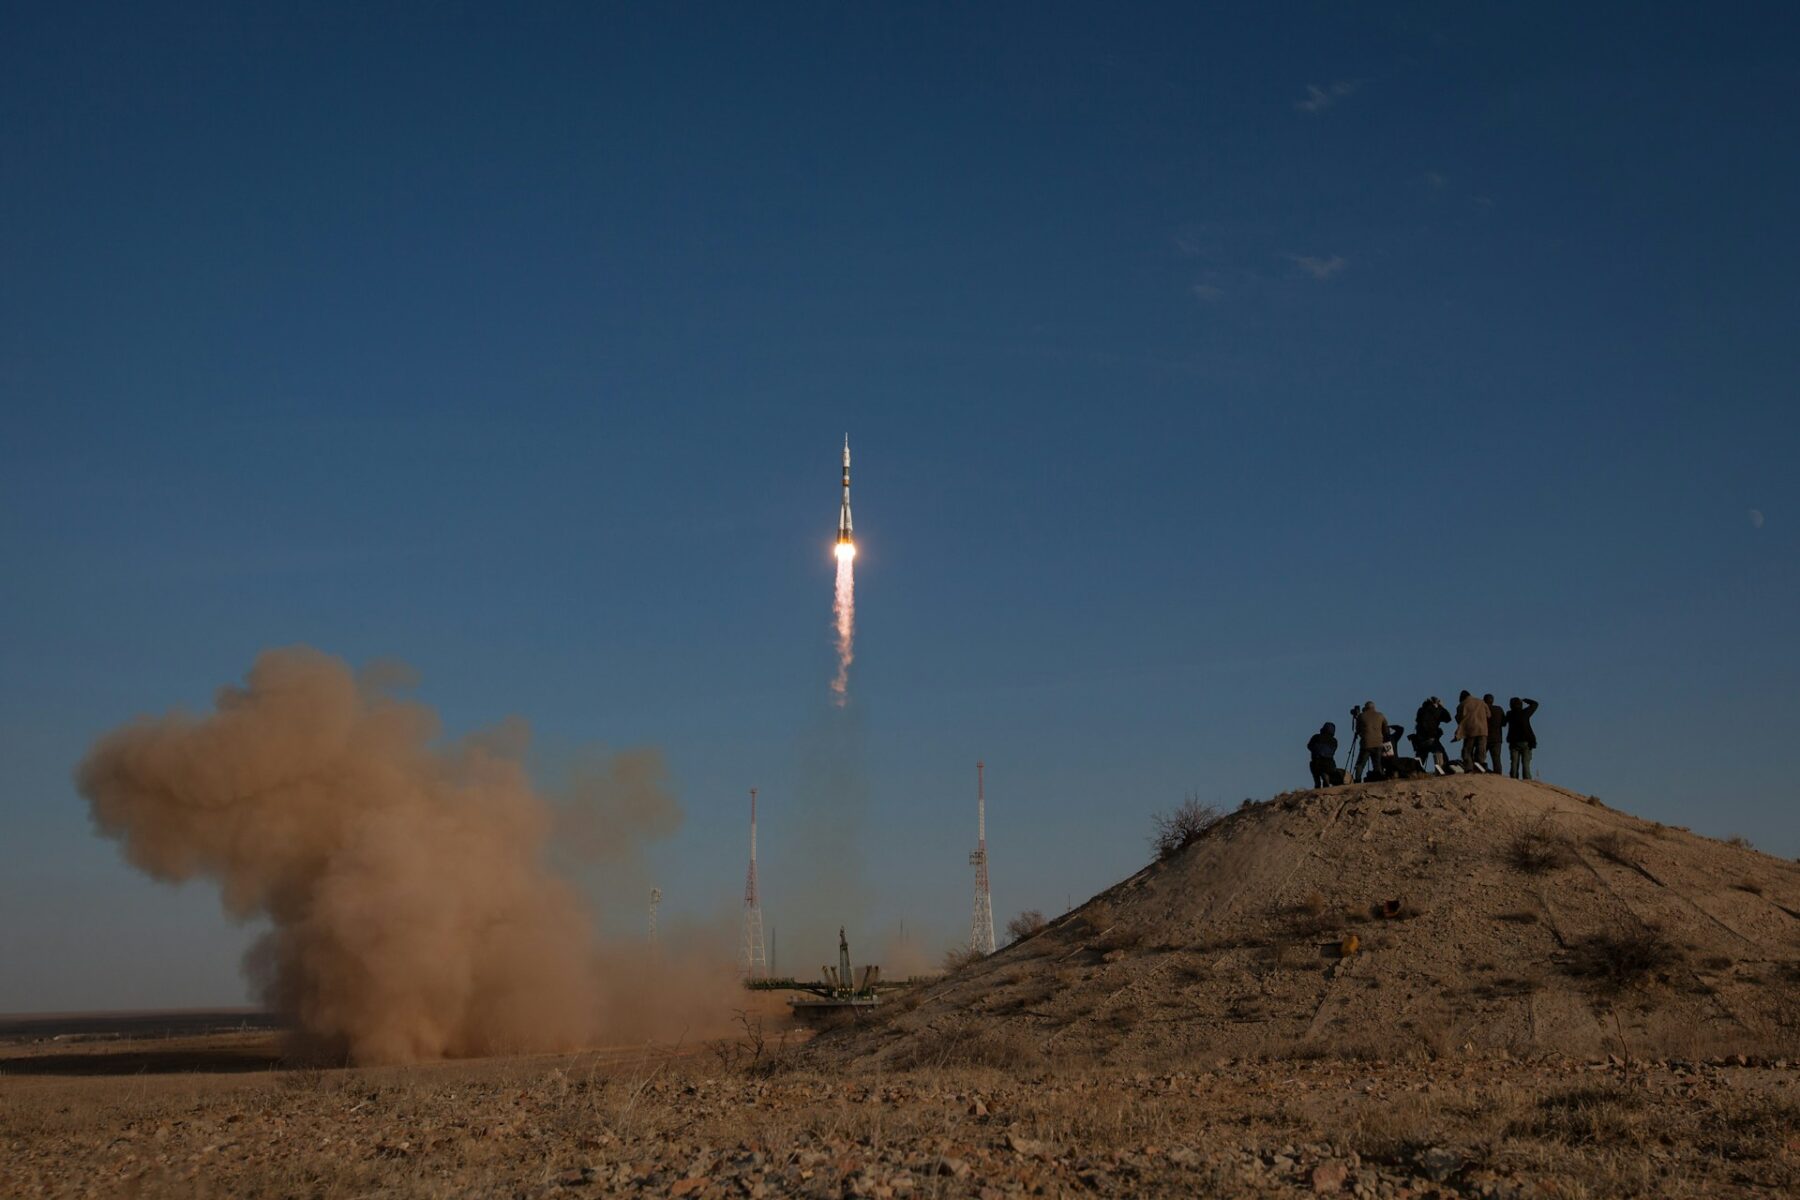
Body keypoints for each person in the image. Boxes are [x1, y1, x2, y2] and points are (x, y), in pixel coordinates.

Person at [1412, 696, 1451, 774]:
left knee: (1419, 758)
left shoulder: (1421, 710)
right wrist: (1441, 707)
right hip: (1430, 738)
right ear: (1435, 703)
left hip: (1420, 739)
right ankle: (1443, 770)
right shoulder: (1434, 710)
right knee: (1441, 753)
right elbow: (1448, 718)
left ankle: (1414, 772)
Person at [1453, 690, 1488, 772]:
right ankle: (1480, 767)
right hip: (1482, 730)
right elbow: (1489, 714)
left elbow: (1458, 718)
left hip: (1469, 731)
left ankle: (1469, 768)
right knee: (1481, 750)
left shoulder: (1461, 705)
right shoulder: (1481, 702)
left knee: (1467, 751)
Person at [1354, 700, 1387, 782]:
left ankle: (1357, 780)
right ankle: (1379, 780)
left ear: (1365, 708)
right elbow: (1385, 730)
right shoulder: (1381, 715)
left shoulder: (1361, 716)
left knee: (1360, 764)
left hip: (1366, 744)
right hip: (1378, 743)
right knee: (1377, 764)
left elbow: (1357, 730)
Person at [1507, 697, 1540, 779]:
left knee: (1514, 762)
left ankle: (1513, 778)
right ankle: (1527, 779)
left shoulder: (1510, 714)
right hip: (1526, 741)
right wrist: (1525, 700)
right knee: (1526, 762)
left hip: (1513, 741)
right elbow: (1535, 704)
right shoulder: (1525, 713)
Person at [1307, 722, 1339, 788]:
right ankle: (1326, 785)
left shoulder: (1316, 737)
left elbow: (1309, 746)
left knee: (1315, 769)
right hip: (1330, 764)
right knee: (1325, 773)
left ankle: (1317, 785)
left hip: (1316, 762)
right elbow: (1333, 751)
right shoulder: (1334, 741)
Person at [1484, 694, 1506, 774]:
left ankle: (1479, 770)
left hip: (1484, 736)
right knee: (1496, 758)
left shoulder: (1482, 709)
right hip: (1497, 738)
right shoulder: (1499, 709)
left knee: (1480, 757)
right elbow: (1504, 723)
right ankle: (1498, 774)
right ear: (1492, 701)